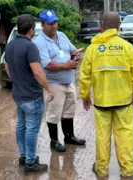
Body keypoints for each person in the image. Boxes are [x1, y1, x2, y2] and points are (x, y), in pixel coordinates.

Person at [80, 12, 133, 177]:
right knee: (125, 136)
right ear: (119, 26)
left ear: (102, 25)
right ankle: (128, 170)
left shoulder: (93, 48)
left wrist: (85, 96)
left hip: (102, 102)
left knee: (102, 137)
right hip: (123, 102)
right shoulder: (127, 47)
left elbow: (85, 76)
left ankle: (102, 170)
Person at [4, 14, 54, 174]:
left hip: (18, 95)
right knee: (31, 129)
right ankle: (31, 163)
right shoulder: (30, 47)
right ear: (32, 30)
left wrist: (16, 81)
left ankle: (24, 156)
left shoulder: (10, 45)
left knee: (22, 125)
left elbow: (7, 67)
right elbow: (38, 73)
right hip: (32, 96)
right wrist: (49, 89)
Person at [34, 10, 86, 153]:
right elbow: (48, 64)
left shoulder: (62, 35)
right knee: (54, 113)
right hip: (54, 83)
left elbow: (73, 50)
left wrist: (76, 56)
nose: (54, 26)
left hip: (68, 81)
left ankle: (69, 137)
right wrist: (68, 65)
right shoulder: (39, 42)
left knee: (69, 111)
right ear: (43, 25)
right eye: (50, 24)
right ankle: (54, 141)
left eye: (55, 22)